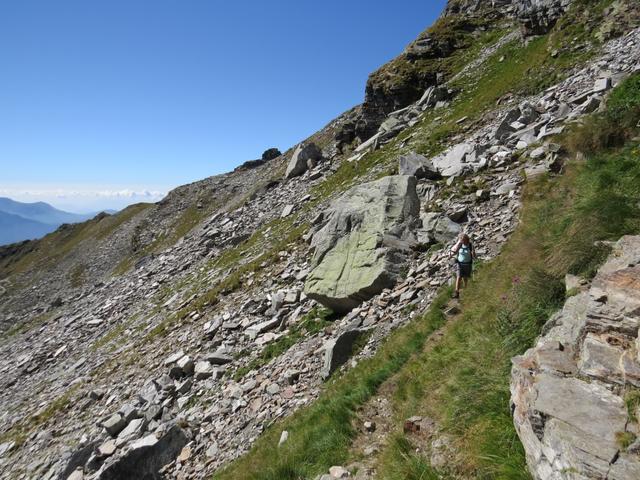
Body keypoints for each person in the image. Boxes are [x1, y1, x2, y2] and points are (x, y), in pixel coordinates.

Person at [450, 233, 476, 299]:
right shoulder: (460, 244)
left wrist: (473, 254)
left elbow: (474, 256)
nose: (462, 241)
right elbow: (455, 251)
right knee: (459, 277)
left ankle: (466, 288)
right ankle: (456, 292)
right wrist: (450, 255)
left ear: (466, 239)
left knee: (465, 278)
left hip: (468, 264)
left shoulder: (470, 245)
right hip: (459, 264)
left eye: (463, 240)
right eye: (461, 240)